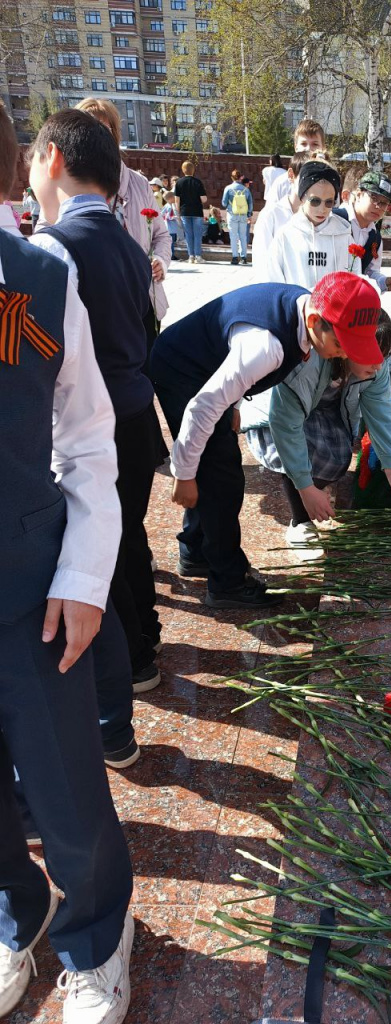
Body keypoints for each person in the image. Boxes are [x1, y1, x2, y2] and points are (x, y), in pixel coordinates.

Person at [0, 98, 134, 1024]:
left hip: (26, 581)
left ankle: (95, 932)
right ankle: (19, 911)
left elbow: (87, 436)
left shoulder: (37, 279)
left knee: (61, 780)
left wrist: (86, 576)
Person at [150, 272, 391, 608]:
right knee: (221, 479)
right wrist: (183, 473)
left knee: (217, 466)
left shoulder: (307, 314)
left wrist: (236, 402)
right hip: (183, 372)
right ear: (317, 322)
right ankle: (226, 583)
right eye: (340, 346)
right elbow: (203, 405)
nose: (343, 355)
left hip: (212, 373)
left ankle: (196, 551)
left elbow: (232, 364)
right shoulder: (269, 346)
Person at [30, 109, 165, 695]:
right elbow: (149, 323)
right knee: (128, 532)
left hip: (91, 425)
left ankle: (128, 662)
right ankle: (147, 644)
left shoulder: (49, 252)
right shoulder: (132, 248)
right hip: (135, 415)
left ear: (52, 160)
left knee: (97, 547)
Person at [241, 310, 391, 558]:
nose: (379, 366)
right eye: (372, 356)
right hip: (276, 417)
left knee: (336, 458)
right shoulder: (308, 361)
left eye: (384, 358)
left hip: (321, 409)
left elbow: (381, 413)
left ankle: (310, 487)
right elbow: (286, 426)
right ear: (350, 346)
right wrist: (306, 490)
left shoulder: (373, 362)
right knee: (303, 451)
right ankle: (300, 523)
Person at [74, 98, 171, 348]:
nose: (96, 137)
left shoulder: (138, 184)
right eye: (87, 129)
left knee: (146, 374)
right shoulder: (68, 185)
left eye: (104, 130)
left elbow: (161, 235)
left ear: (115, 134)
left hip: (141, 300)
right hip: (92, 306)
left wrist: (160, 261)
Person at [265, 161, 357, 289]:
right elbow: (273, 280)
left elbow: (354, 277)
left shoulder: (344, 235)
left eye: (329, 202)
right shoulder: (286, 236)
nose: (322, 209)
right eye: (315, 201)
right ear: (302, 197)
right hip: (296, 307)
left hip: (335, 308)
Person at [251, 151, 318, 280]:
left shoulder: (321, 218)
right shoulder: (271, 215)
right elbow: (262, 265)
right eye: (307, 178)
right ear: (291, 175)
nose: (311, 186)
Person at [335, 169, 391, 293]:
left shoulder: (375, 237)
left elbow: (369, 272)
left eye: (384, 203)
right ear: (359, 194)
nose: (378, 207)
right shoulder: (335, 219)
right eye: (374, 198)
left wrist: (384, 281)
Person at [265, 120, 326, 205]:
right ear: (296, 147)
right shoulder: (281, 183)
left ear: (323, 148)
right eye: (303, 144)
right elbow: (269, 214)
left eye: (315, 144)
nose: (308, 149)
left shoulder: (328, 183)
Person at [173, 159, 208, 263]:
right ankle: (198, 257)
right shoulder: (197, 182)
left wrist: (178, 212)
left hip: (184, 212)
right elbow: (204, 199)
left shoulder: (178, 182)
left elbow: (176, 200)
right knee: (197, 234)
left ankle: (191, 256)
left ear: (183, 170)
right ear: (193, 170)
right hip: (197, 211)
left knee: (188, 234)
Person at [221, 170, 252, 266]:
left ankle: (235, 257)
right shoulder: (246, 190)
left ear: (232, 177)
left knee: (233, 236)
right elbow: (250, 203)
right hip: (243, 215)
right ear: (240, 178)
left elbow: (224, 203)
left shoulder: (228, 188)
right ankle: (244, 257)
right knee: (243, 236)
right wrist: (249, 214)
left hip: (232, 214)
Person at [161, 189, 178, 259]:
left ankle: (170, 254)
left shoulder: (167, 206)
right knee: (171, 242)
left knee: (171, 242)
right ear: (171, 198)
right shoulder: (170, 207)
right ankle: (171, 255)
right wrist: (174, 217)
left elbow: (161, 214)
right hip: (171, 228)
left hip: (170, 228)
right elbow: (167, 216)